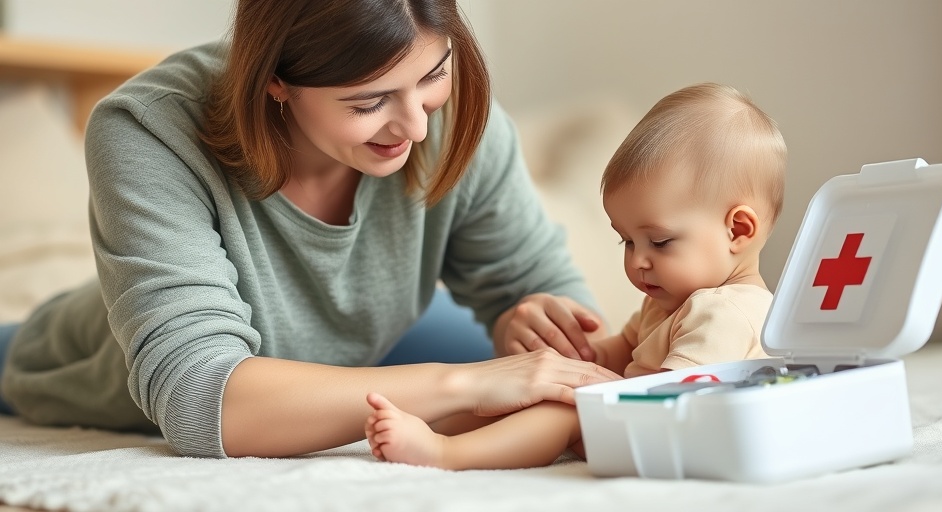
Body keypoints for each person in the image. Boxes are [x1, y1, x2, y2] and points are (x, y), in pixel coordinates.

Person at [0, 0, 623, 458]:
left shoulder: (457, 120)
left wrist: (528, 315)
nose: (417, 128)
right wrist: (468, 382)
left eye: (433, 76)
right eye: (368, 102)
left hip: (369, 338)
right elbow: (199, 398)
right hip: (86, 360)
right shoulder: (148, 128)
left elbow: (552, 312)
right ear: (275, 79)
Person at [363, 82, 788, 470]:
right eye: (626, 242)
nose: (638, 262)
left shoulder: (727, 313)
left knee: (563, 407)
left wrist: (586, 396)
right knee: (528, 384)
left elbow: (673, 398)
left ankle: (444, 453)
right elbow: (622, 350)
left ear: (738, 230)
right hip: (639, 426)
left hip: (665, 436)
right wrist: (578, 359)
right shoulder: (672, 302)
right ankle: (429, 422)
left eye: (658, 242)